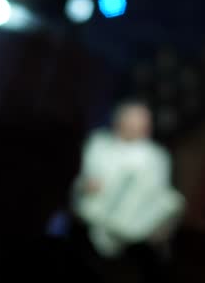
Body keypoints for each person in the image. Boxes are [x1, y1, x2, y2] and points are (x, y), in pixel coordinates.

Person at [73, 100, 184, 256]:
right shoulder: (98, 143)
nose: (137, 126)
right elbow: (82, 178)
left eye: (142, 122)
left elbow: (159, 194)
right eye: (133, 120)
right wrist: (86, 185)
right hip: (87, 223)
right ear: (120, 121)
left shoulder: (157, 157)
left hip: (132, 237)